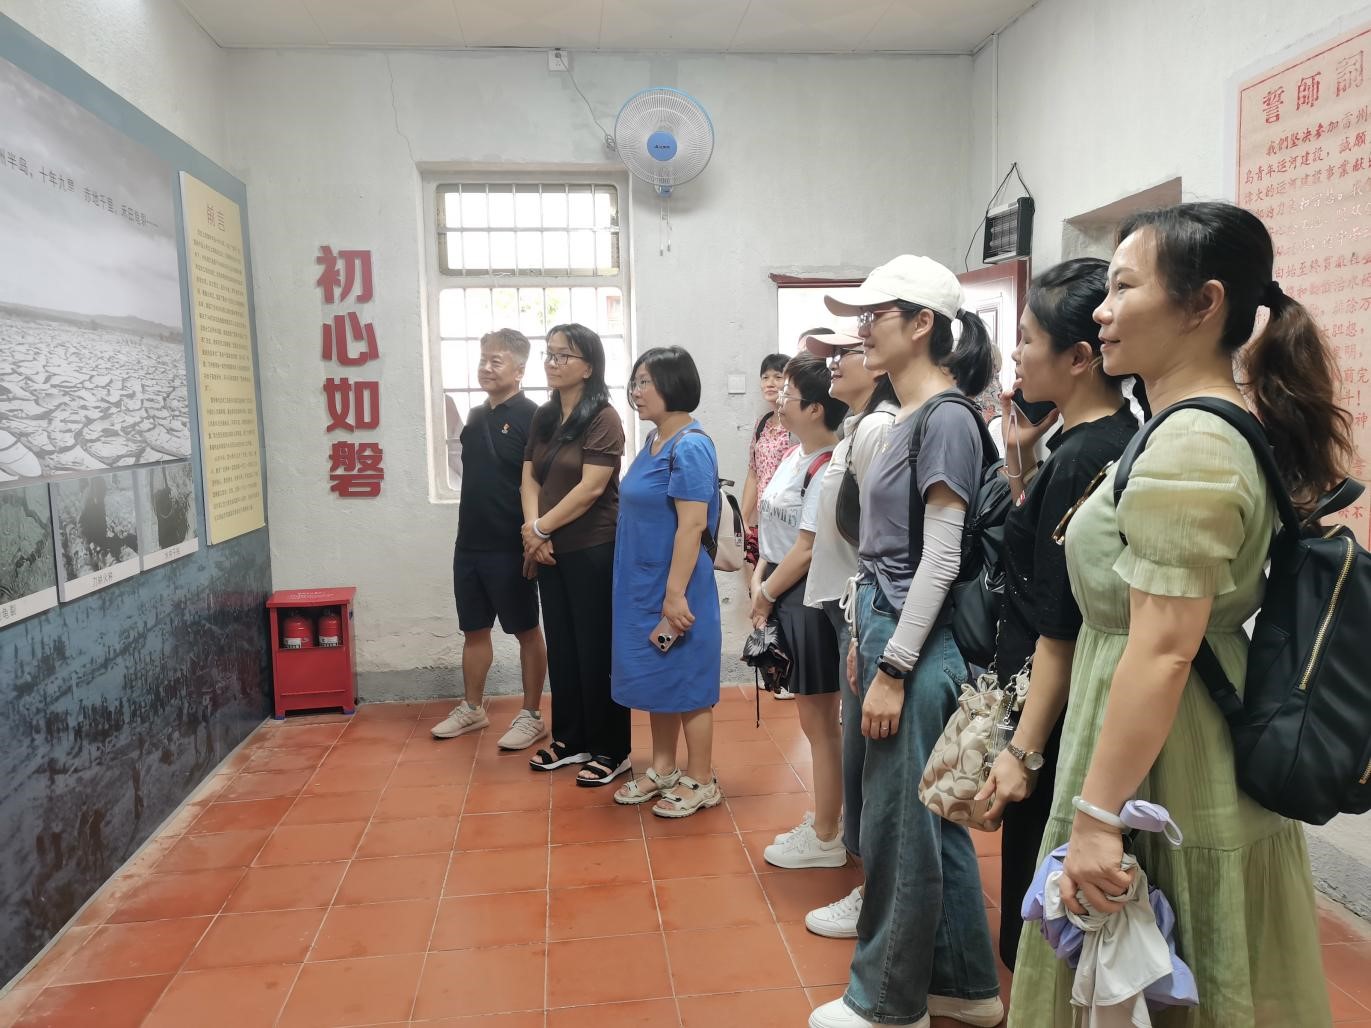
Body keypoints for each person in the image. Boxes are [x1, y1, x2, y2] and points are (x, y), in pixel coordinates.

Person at [1007, 202, 1346, 1026]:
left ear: (1203, 305)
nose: (1102, 310)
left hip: (1167, 752)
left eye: (1124, 287)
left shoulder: (1191, 445)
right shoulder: (1170, 431)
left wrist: (1097, 818)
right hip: (1143, 734)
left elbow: (1161, 650)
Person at [809, 255, 1002, 1028]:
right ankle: (966, 985)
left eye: (875, 316)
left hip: (912, 643)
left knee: (898, 831)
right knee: (928, 821)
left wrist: (892, 667)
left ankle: (887, 1003)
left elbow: (941, 557)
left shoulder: (946, 418)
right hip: (890, 623)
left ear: (922, 324)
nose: (860, 332)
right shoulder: (908, 416)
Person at [966, 260, 1139, 968]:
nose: (1015, 355)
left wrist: (1021, 752)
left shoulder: (1081, 459)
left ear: (1078, 358)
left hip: (1053, 707)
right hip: (1053, 696)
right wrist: (1020, 458)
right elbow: (1041, 546)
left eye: (1028, 339)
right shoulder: (1091, 440)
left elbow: (1057, 626)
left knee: (1040, 901)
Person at [797, 332, 897, 934]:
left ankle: (875, 888)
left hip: (866, 609)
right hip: (849, 606)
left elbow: (883, 539)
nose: (834, 362)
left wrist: (864, 626)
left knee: (871, 756)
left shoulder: (881, 428)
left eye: (847, 350)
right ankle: (864, 872)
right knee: (858, 749)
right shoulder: (859, 425)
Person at [610, 346, 724, 814]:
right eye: (634, 382)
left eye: (645, 382)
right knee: (659, 676)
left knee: (688, 681)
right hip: (643, 584)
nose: (636, 392)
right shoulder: (655, 439)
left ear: (673, 385)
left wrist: (674, 594)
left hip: (678, 586)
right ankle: (663, 768)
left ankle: (702, 779)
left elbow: (692, 525)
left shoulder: (690, 446)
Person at [750, 352, 848, 864]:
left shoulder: (829, 465)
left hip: (809, 599)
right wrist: (760, 577)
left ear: (815, 408)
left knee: (819, 723)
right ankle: (829, 819)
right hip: (783, 589)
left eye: (789, 393)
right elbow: (777, 532)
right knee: (814, 720)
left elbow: (808, 549)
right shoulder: (794, 452)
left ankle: (828, 836)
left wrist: (766, 593)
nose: (780, 399)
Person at [431, 329, 550, 750]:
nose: (485, 367)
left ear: (519, 370)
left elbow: (543, 484)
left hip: (511, 547)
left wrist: (535, 539)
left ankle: (532, 714)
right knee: (474, 630)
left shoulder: (534, 417)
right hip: (469, 544)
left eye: (496, 361)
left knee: (526, 630)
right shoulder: (477, 416)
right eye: (483, 359)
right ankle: (473, 708)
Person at [520, 324, 629, 781]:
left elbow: (591, 489)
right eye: (549, 354)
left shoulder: (603, 417)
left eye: (563, 355)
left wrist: (540, 527)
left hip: (592, 547)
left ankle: (611, 748)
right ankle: (571, 739)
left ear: (588, 367)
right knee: (563, 646)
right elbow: (529, 479)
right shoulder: (545, 416)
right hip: (548, 550)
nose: (552, 362)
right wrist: (534, 531)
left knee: (596, 648)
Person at [742, 352, 794, 564]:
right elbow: (753, 473)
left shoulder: (795, 424)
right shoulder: (762, 423)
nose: (770, 383)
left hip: (788, 517)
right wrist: (743, 518)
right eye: (765, 377)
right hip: (763, 517)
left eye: (778, 377)